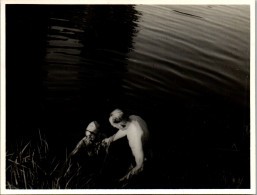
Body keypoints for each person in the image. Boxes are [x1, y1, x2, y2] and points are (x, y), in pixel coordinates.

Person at [102, 109, 150, 182]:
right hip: (145, 145)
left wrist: (124, 179)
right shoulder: (133, 118)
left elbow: (140, 164)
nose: (115, 127)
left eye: (115, 126)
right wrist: (110, 139)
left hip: (141, 157)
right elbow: (125, 129)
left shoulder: (135, 136)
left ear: (121, 125)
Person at [59, 121, 106, 188]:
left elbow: (107, 157)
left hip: (100, 165)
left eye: (91, 135)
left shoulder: (104, 139)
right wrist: (61, 172)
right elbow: (71, 155)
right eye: (87, 135)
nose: (88, 138)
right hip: (89, 165)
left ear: (97, 134)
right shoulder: (84, 140)